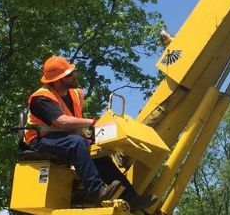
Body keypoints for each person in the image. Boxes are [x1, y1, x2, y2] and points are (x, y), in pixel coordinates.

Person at [25, 55, 156, 211]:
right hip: (40, 141)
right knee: (77, 143)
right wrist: (91, 122)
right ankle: (98, 191)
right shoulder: (41, 98)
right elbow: (61, 122)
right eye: (69, 75)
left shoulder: (75, 94)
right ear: (58, 81)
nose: (74, 76)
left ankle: (131, 198)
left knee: (97, 152)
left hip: (65, 138)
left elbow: (73, 123)